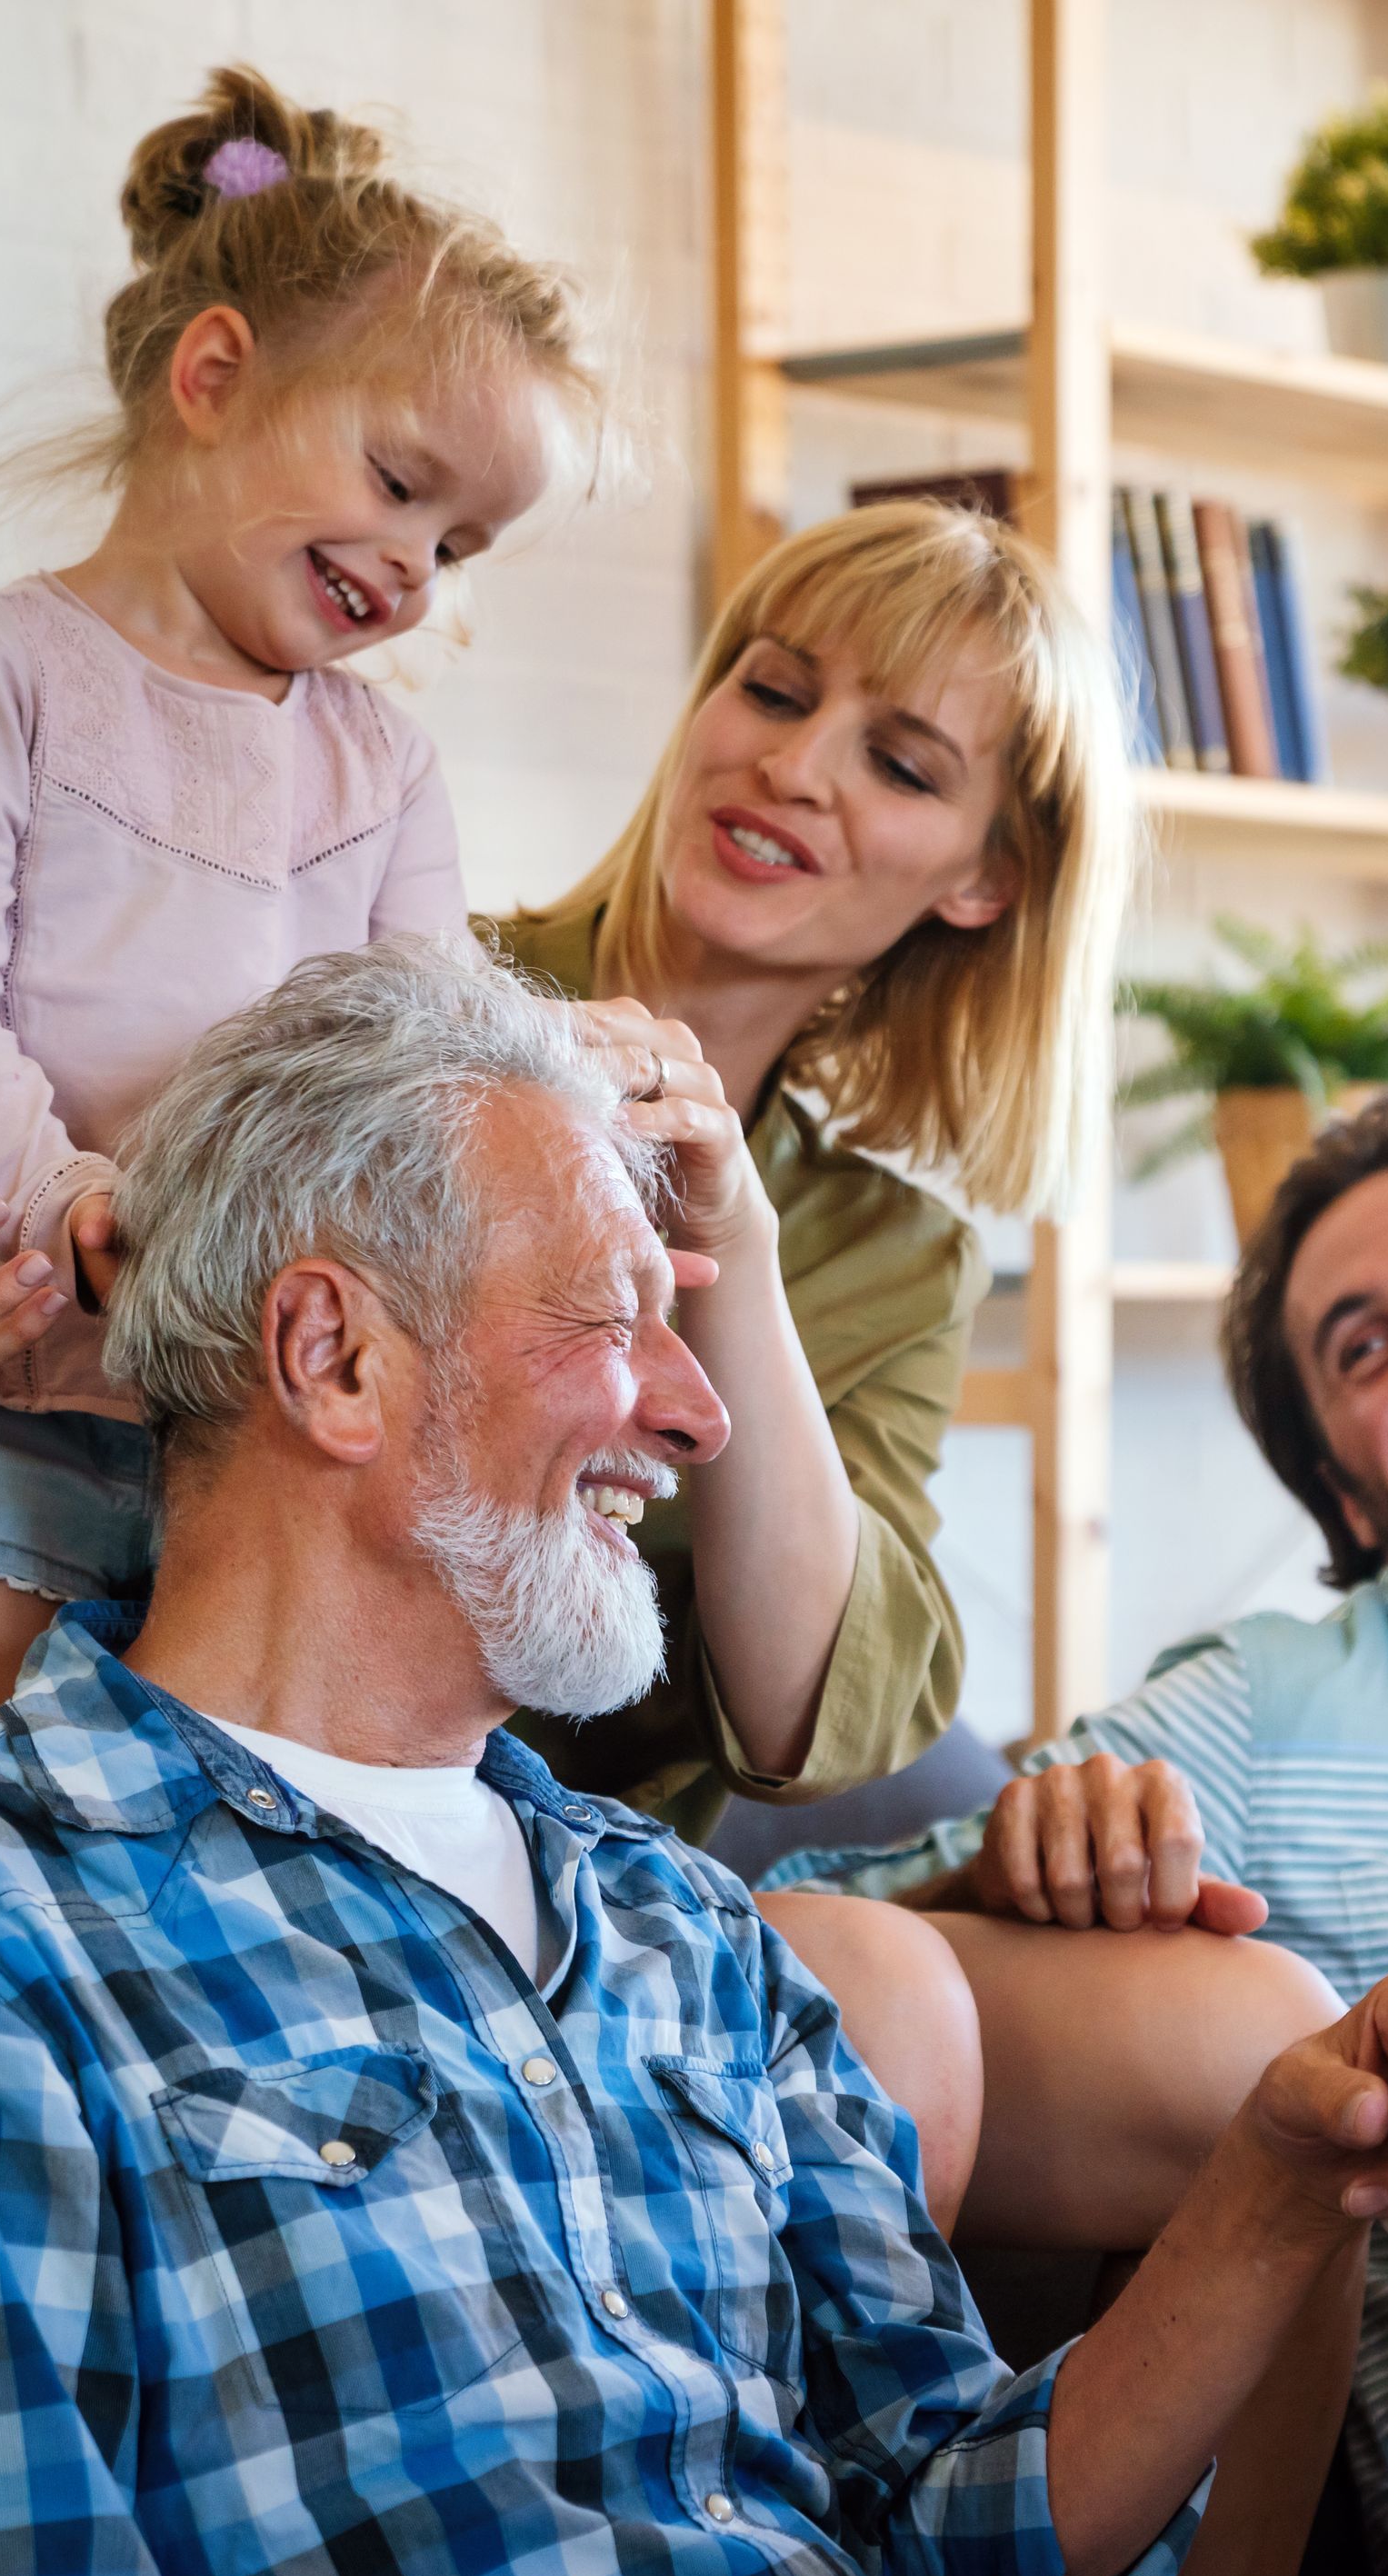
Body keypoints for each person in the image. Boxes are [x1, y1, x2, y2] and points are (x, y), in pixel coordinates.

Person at [0, 941, 1388, 2576]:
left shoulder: (675, 1928)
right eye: (610, 1315)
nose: (701, 1414)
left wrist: (1283, 2185)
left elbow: (956, 2535)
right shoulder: (37, 1938)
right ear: (336, 1358)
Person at [774, 1091, 1388, 2576]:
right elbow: (773, 1946)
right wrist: (1020, 1865)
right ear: (1348, 1491)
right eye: (1364, 1347)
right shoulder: (1266, 1707)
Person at [0, 63, 594, 1694]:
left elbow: (421, 1084)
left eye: (458, 546)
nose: (414, 566)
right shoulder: (20, 675)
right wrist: (63, 1209)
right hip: (23, 1365)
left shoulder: (383, 771)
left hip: (258, 1427)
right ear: (211, 376)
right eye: (403, 485)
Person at [493, 498, 1133, 1842]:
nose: (792, 765)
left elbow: (803, 1720)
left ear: (986, 882)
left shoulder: (901, 1258)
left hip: (593, 1873)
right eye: (773, 689)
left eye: (901, 767)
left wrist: (743, 1252)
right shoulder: (422, 988)